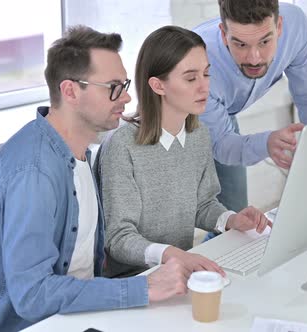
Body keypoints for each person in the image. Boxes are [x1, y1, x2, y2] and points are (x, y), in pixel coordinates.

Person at [0, 26, 190, 332]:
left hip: (78, 316)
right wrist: (140, 289)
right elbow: (32, 296)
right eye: (113, 87)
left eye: (124, 84)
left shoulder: (80, 150)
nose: (126, 96)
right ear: (71, 91)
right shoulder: (34, 173)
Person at [96, 25, 271, 278]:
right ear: (158, 86)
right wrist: (169, 254)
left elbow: (202, 204)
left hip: (182, 273)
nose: (204, 87)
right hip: (136, 282)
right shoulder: (122, 146)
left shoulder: (199, 135)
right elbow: (119, 238)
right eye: (191, 78)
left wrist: (231, 220)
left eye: (206, 74)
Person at [193, 0, 307, 234]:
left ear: (279, 25)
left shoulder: (295, 27)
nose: (255, 58)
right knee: (177, 230)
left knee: (235, 223)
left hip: (220, 117)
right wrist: (267, 143)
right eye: (240, 44)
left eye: (265, 41)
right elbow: (222, 144)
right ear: (223, 32)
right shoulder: (199, 60)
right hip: (175, 126)